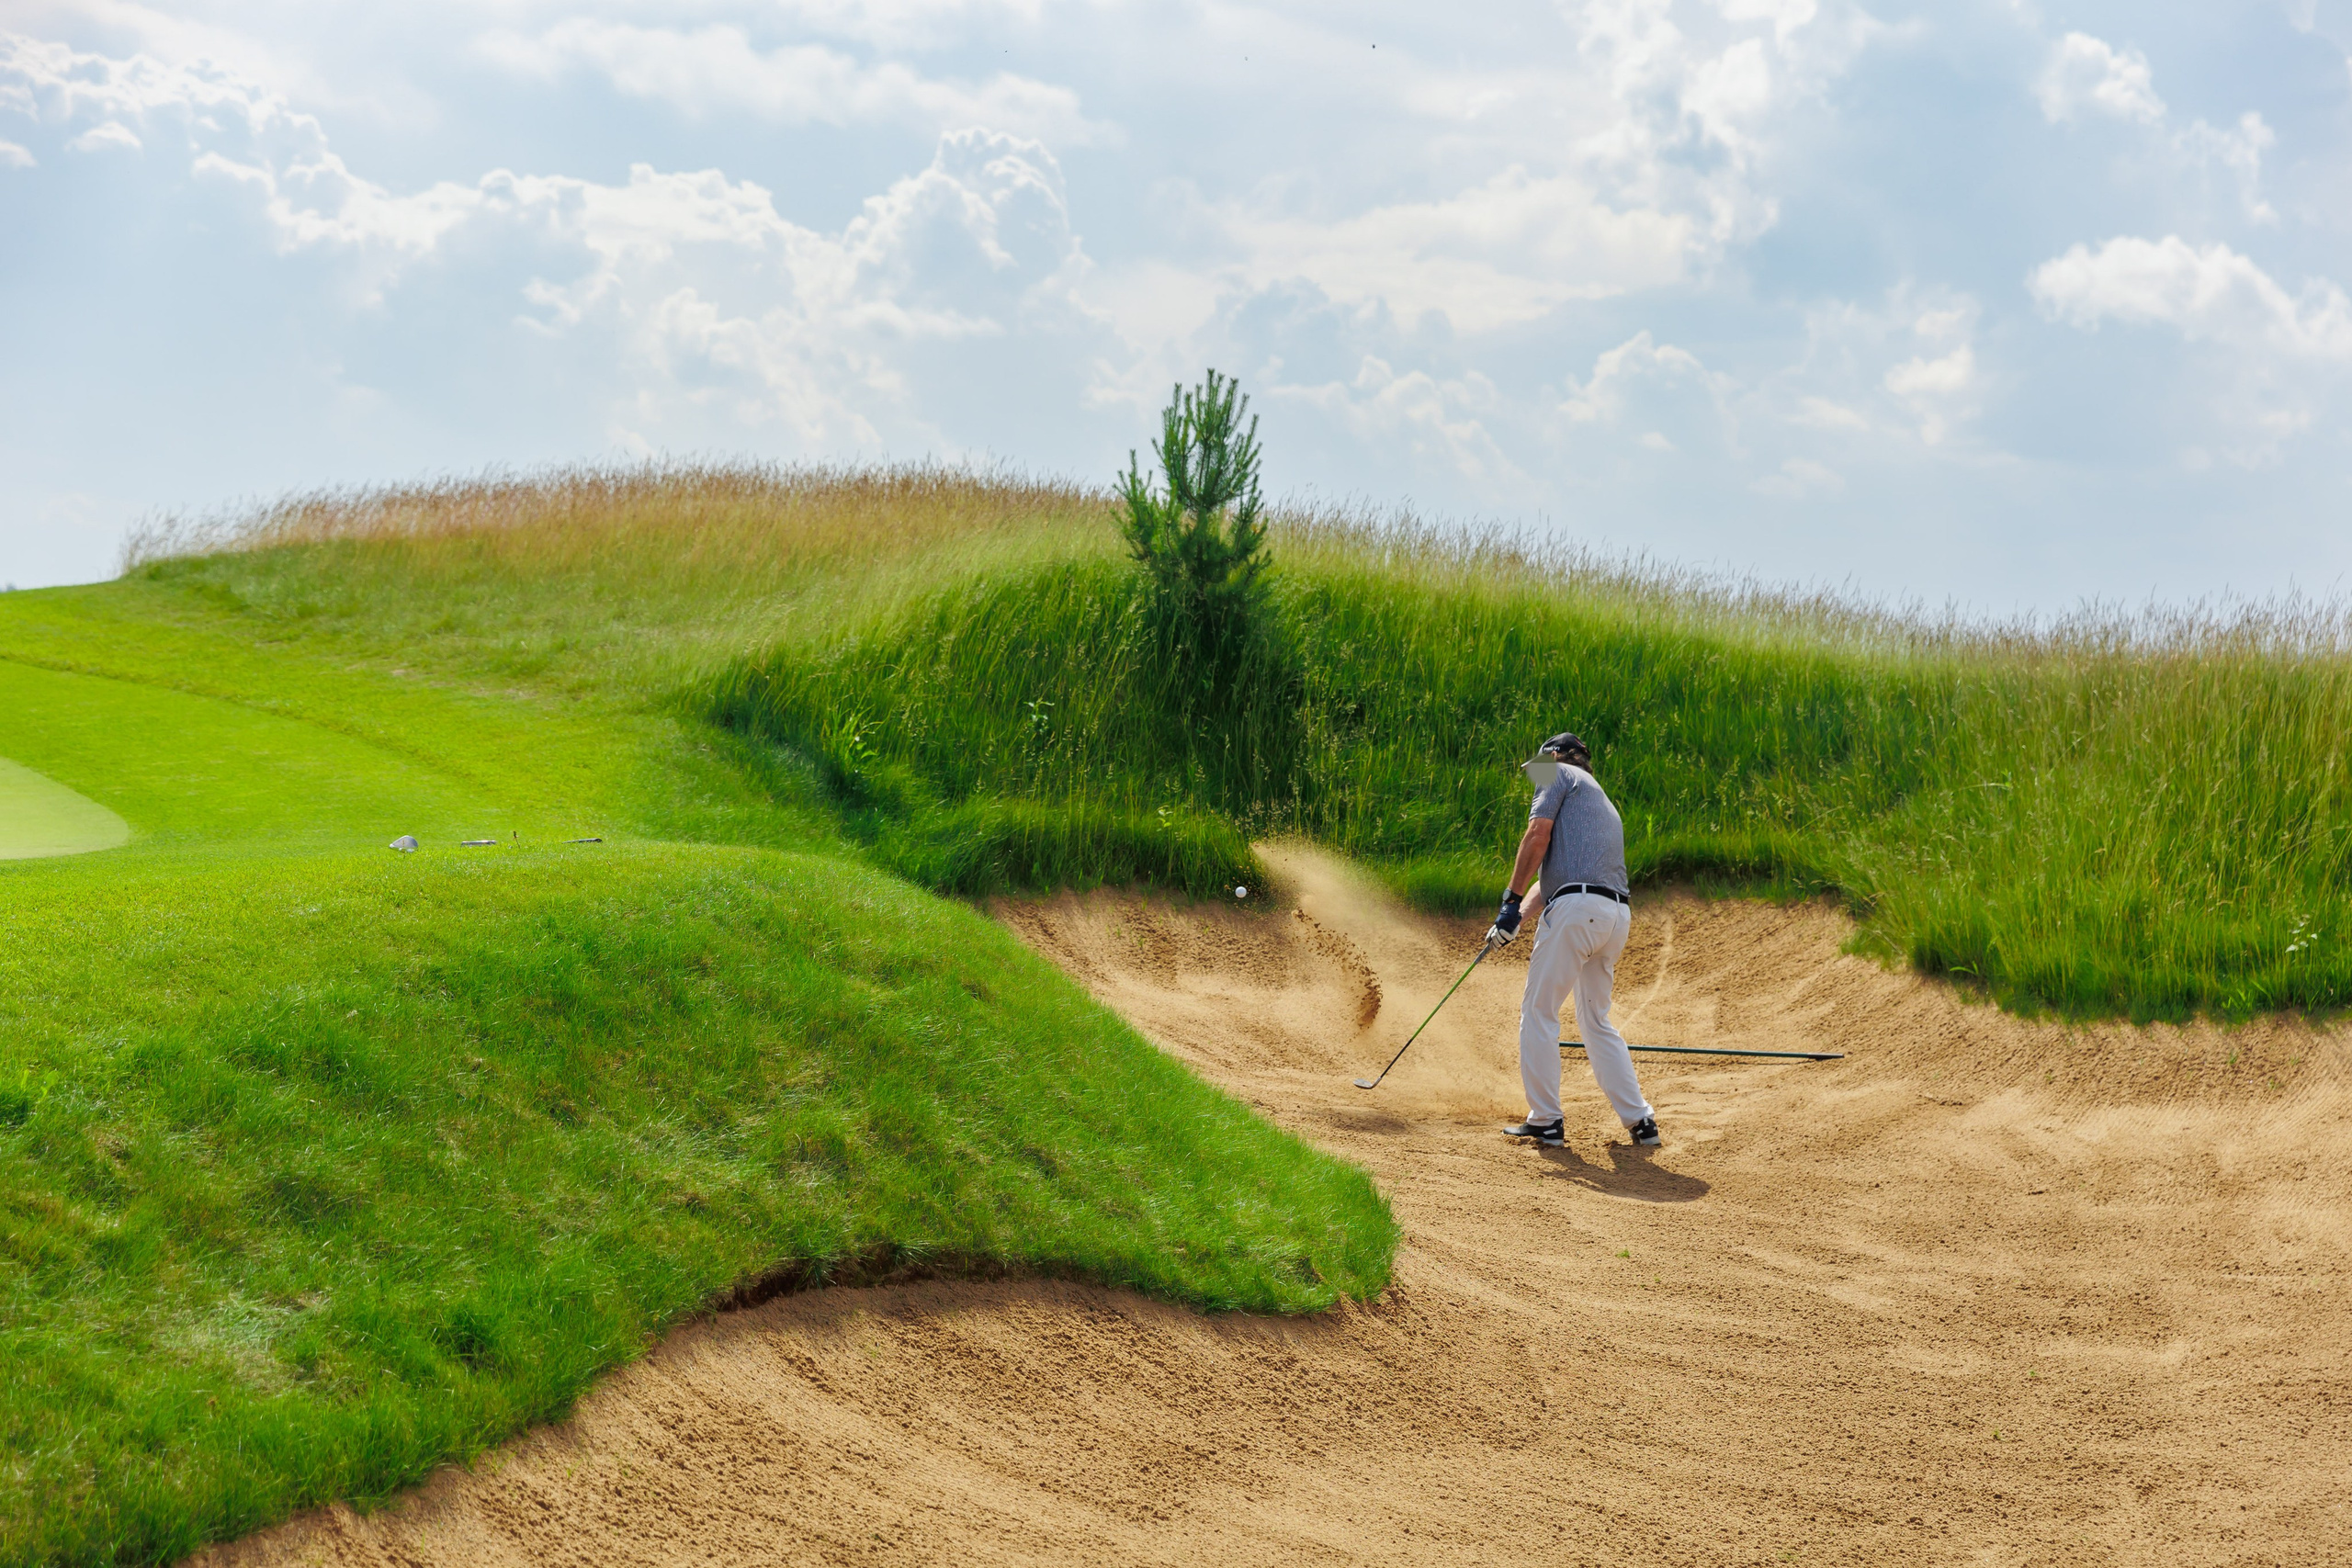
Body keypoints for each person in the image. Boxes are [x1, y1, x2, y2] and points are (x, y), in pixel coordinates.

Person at [1486, 731, 1660, 1148]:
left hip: (1578, 913)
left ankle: (1546, 1121)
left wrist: (1508, 899)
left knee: (1539, 1011)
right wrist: (1516, 918)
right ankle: (1641, 1122)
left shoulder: (1556, 774)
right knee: (1596, 1021)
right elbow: (1557, 880)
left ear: (1556, 756)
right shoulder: (1597, 797)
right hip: (1613, 917)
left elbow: (1536, 837)